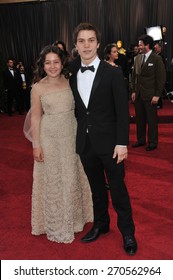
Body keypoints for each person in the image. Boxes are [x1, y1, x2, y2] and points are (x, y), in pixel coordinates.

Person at [69, 22, 137, 255]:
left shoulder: (113, 72)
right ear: (75, 45)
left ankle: (128, 232)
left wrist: (122, 143)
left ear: (98, 43)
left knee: (118, 190)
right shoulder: (71, 71)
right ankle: (101, 224)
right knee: (96, 189)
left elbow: (122, 111)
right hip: (86, 144)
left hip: (111, 145)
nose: (86, 45)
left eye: (90, 40)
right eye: (81, 41)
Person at [23, 45, 93, 243]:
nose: (52, 66)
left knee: (71, 175)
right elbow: (35, 118)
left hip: (71, 135)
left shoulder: (71, 82)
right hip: (49, 138)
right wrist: (36, 145)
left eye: (56, 62)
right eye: (48, 63)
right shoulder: (37, 88)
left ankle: (75, 219)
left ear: (62, 63)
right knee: (53, 178)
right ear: (42, 65)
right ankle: (53, 222)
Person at [131, 35, 166, 151]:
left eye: (140, 44)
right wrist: (134, 91)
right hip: (139, 94)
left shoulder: (156, 59)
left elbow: (161, 78)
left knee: (151, 120)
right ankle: (140, 140)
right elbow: (135, 76)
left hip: (151, 95)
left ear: (147, 45)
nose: (138, 46)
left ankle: (152, 142)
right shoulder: (137, 58)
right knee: (139, 119)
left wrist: (157, 95)